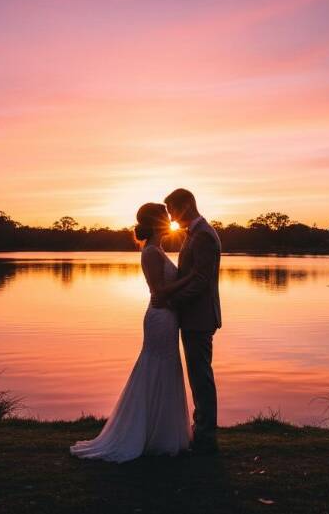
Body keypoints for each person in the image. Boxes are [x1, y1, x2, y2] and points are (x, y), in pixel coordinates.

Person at [70, 203, 193, 462]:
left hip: (168, 317)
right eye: (167, 217)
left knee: (167, 369)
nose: (171, 220)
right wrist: (190, 278)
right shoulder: (150, 252)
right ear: (158, 222)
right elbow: (158, 292)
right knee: (155, 368)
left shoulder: (157, 250)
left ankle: (163, 433)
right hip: (160, 318)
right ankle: (148, 435)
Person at [156, 188, 222, 454]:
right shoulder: (194, 234)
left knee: (201, 376)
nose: (171, 216)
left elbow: (200, 281)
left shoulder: (204, 235)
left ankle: (205, 435)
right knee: (197, 375)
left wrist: (172, 302)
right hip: (193, 315)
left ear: (185, 206)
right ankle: (201, 430)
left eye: (172, 210)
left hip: (200, 316)